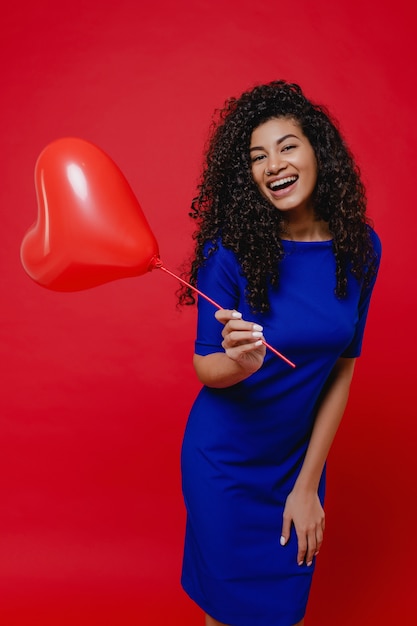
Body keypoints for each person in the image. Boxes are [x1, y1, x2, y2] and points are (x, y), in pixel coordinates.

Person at [178, 80, 381, 626]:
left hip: (295, 461)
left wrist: (309, 484)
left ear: (318, 150)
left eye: (288, 145)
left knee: (280, 613)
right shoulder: (229, 251)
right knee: (224, 613)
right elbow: (206, 367)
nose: (274, 165)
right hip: (224, 463)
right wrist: (239, 363)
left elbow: (343, 367)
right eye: (257, 156)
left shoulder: (361, 248)